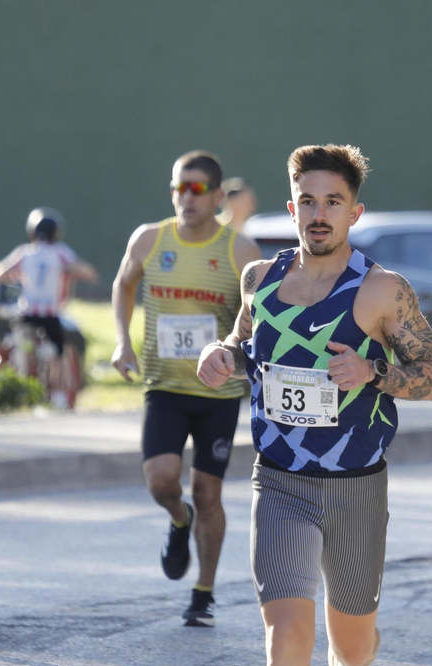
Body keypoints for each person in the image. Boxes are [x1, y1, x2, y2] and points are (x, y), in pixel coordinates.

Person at [196, 144, 432, 666]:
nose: (318, 214)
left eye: (332, 201)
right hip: (280, 483)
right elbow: (247, 349)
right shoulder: (260, 277)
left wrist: (374, 369)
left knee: (353, 638)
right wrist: (221, 357)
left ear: (354, 212)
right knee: (285, 638)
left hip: (358, 488)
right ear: (291, 208)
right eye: (307, 200)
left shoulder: (381, 290)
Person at [109, 152, 263, 625]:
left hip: (216, 392)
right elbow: (123, 285)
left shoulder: (239, 250)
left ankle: (203, 591)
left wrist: (249, 355)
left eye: (198, 190)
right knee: (160, 482)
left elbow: (264, 312)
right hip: (164, 386)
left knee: (208, 492)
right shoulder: (151, 240)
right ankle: (179, 519)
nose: (186, 197)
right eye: (179, 188)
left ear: (217, 196)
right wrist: (122, 342)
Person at [0, 207, 98, 403]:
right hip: (50, 314)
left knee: (20, 349)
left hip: (27, 313)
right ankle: (57, 395)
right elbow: (88, 272)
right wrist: (71, 272)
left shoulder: (25, 253)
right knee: (58, 354)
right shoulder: (60, 253)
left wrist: (15, 275)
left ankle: (21, 390)